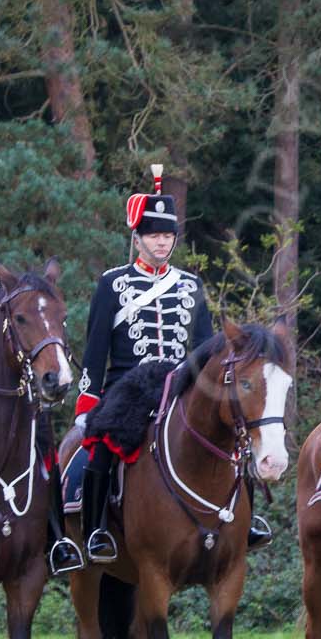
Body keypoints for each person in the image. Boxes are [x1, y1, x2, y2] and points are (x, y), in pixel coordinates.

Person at [69, 165, 216, 571]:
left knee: (229, 442)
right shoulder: (112, 284)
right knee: (100, 449)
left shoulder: (190, 285)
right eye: (154, 235)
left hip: (179, 385)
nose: (162, 242)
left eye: (168, 235)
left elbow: (204, 349)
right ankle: (96, 529)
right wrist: (88, 402)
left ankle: (242, 521)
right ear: (137, 237)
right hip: (126, 387)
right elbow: (96, 351)